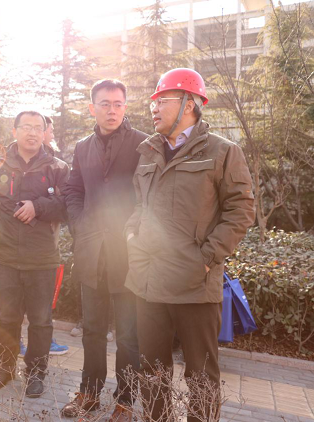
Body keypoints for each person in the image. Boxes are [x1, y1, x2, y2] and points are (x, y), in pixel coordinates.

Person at [124, 68, 255, 422]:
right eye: (153, 102)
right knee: (151, 371)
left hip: (195, 282)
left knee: (201, 376)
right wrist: (132, 237)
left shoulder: (222, 151)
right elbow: (139, 204)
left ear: (190, 104)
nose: (154, 108)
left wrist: (207, 258)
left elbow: (241, 210)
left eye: (162, 100)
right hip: (148, 279)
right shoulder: (149, 150)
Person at [62, 79, 148, 421]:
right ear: (92, 108)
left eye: (118, 104)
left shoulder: (143, 143)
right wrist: (78, 223)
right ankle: (89, 392)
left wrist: (138, 234)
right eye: (105, 104)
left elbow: (148, 195)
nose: (112, 110)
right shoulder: (83, 146)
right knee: (93, 331)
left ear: (125, 106)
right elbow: (73, 189)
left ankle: (125, 400)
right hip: (92, 251)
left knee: (128, 336)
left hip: (127, 253)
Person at [0, 110, 70, 399]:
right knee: (7, 317)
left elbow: (67, 206)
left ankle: (36, 373)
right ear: (14, 131)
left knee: (41, 321)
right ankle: (5, 368)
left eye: (37, 127)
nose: (32, 132)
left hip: (42, 258)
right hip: (5, 257)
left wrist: (37, 207)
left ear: (45, 133)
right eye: (26, 127)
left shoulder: (58, 168)